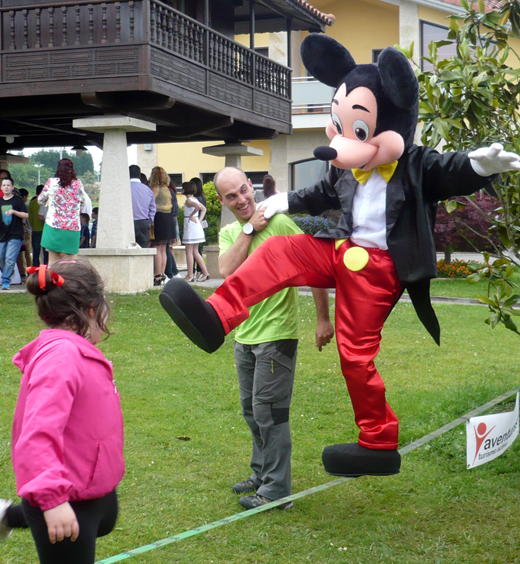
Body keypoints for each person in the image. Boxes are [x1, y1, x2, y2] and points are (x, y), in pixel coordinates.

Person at [214, 166, 334, 510]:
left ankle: (277, 490)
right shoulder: (231, 234)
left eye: (243, 191)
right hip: (245, 335)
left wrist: (323, 319)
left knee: (271, 412)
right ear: (223, 201)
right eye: (231, 196)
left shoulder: (281, 223)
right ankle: (262, 474)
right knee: (252, 411)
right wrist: (250, 229)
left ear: (251, 187)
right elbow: (226, 270)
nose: (241, 200)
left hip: (277, 335)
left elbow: (315, 268)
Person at [0, 260, 124, 564]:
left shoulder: (75, 351)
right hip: (63, 500)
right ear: (92, 309)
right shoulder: (61, 358)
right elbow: (37, 435)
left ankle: (7, 516)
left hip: (90, 494)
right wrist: (52, 500)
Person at [38, 159, 88, 264]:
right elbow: (83, 202)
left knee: (52, 262)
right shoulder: (77, 184)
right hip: (72, 227)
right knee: (72, 262)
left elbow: (40, 200)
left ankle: (53, 280)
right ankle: (71, 280)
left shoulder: (52, 182)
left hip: (53, 226)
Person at [149, 167, 177, 286]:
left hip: (159, 218)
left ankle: (157, 275)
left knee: (157, 248)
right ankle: (162, 273)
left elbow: (151, 202)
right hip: (168, 219)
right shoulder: (168, 189)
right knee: (163, 249)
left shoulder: (155, 189)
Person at [0, 177, 29, 290]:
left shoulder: (17, 200)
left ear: (12, 187)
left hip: (16, 234)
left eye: (8, 185)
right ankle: (9, 270)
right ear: (1, 187)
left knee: (10, 258)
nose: (6, 187)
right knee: (1, 257)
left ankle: (5, 281)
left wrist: (14, 212)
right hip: (2, 235)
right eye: (4, 185)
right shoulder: (0, 201)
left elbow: (26, 215)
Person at [181, 181, 209, 282]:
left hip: (190, 226)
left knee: (189, 251)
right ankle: (205, 272)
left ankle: (189, 275)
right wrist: (199, 220)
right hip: (195, 225)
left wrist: (192, 215)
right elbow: (203, 209)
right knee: (195, 251)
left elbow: (198, 207)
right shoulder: (195, 199)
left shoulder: (189, 200)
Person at [130, 165, 156, 249]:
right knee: (144, 250)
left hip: (127, 223)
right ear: (139, 175)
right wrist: (149, 221)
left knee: (126, 250)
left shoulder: (123, 189)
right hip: (143, 223)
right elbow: (153, 208)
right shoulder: (147, 190)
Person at [191, 177, 207, 280]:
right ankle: (199, 269)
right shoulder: (203, 196)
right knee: (197, 248)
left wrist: (198, 220)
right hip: (203, 223)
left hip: (197, 223)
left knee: (195, 249)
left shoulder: (195, 198)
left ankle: (199, 270)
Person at [164, 182, 180, 280]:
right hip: (173, 219)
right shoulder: (172, 191)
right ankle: (174, 271)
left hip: (168, 219)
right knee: (170, 248)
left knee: (167, 248)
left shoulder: (167, 192)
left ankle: (172, 271)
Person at [28, 185, 48, 267]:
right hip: (46, 230)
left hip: (35, 230)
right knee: (46, 252)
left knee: (36, 252)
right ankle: (46, 268)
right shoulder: (45, 202)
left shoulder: (32, 203)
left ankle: (35, 269)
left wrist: (33, 225)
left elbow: (30, 218)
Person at [16, 188, 32, 279]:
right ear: (24, 197)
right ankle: (30, 270)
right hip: (27, 231)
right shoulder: (26, 206)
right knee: (28, 252)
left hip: (19, 231)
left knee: (20, 252)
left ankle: (22, 270)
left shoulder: (16, 206)